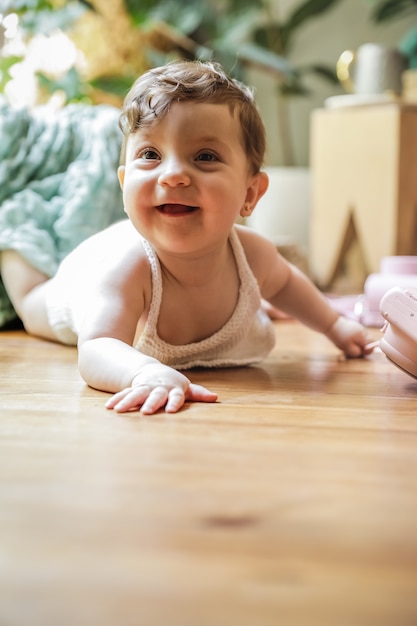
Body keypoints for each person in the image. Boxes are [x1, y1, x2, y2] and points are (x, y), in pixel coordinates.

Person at [0, 60, 374, 415]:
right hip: (79, 282)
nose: (173, 175)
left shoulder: (254, 255)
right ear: (124, 183)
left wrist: (334, 326)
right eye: (150, 154)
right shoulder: (128, 267)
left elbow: (288, 282)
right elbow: (96, 347)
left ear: (250, 194)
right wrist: (142, 373)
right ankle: (15, 230)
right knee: (31, 301)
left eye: (205, 156)